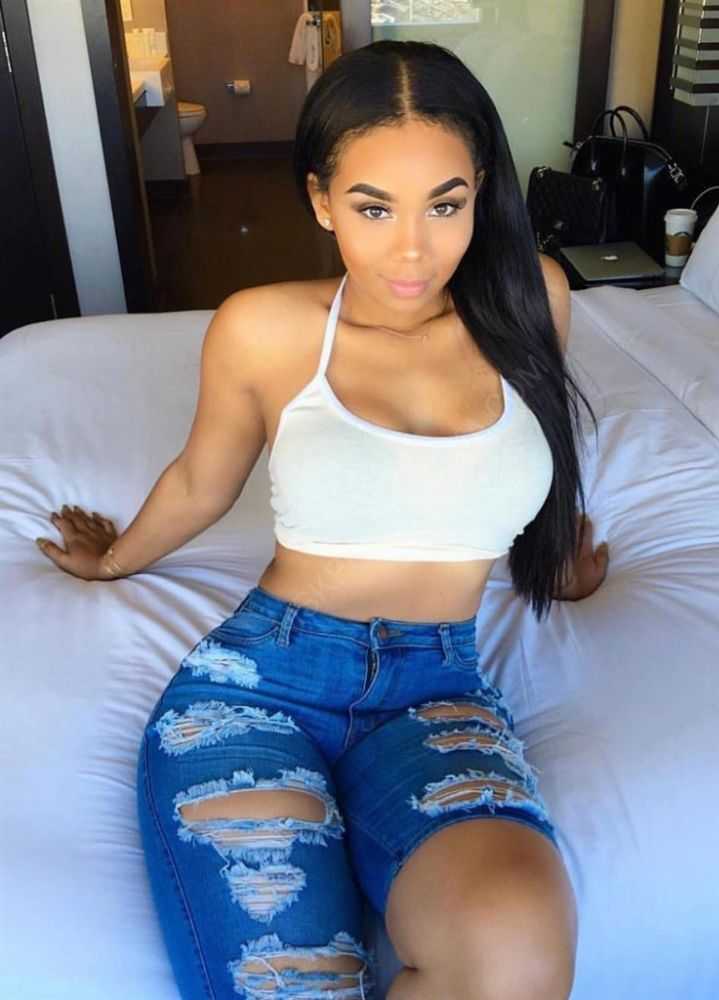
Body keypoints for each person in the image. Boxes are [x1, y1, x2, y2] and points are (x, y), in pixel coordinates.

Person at [35, 39, 607, 1000]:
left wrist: (553, 565)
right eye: (373, 208)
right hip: (260, 684)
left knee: (512, 951)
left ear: (480, 193)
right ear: (320, 200)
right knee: (291, 983)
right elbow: (201, 480)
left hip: (439, 686)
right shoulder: (264, 327)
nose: (412, 250)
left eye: (445, 205)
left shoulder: (532, 298)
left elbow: (532, 448)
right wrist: (114, 562)